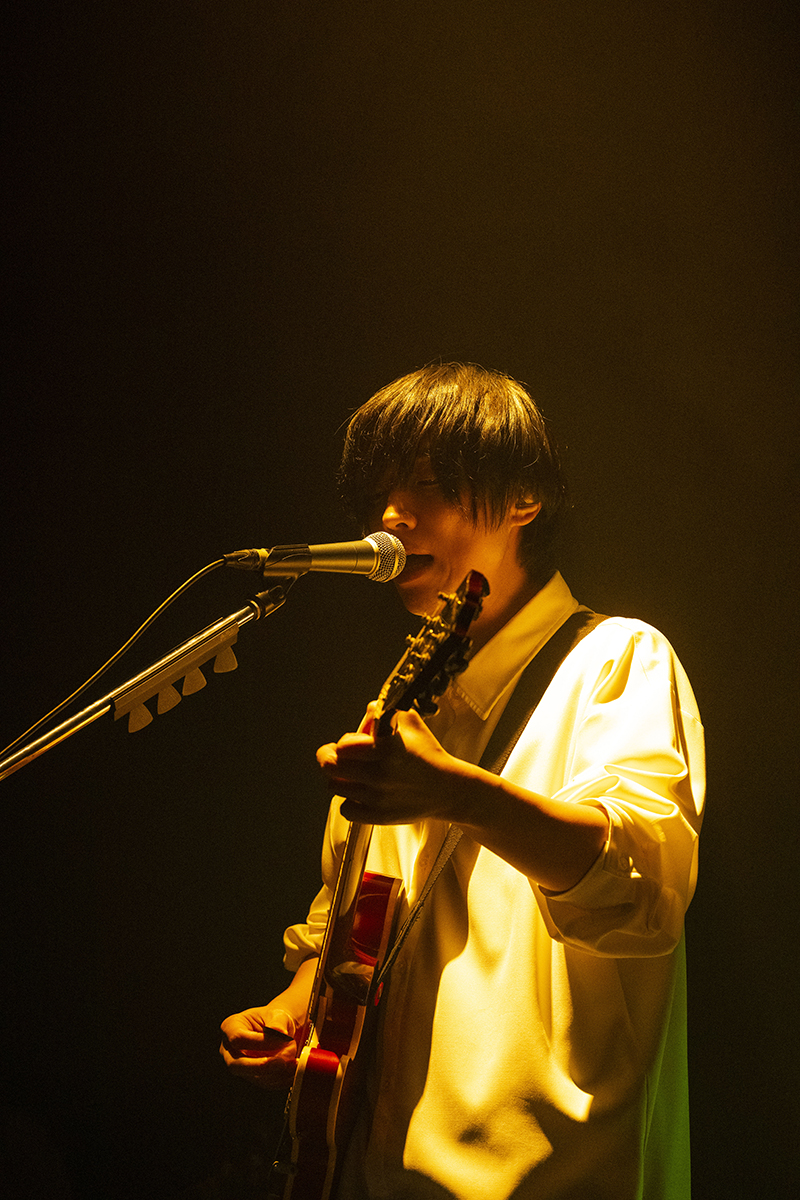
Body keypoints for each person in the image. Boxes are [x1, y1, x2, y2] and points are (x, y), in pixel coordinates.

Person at [220, 362, 705, 1199]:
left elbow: (642, 889)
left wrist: (455, 795)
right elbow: (351, 924)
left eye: (430, 484)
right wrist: (296, 1007)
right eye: (382, 492)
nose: (391, 516)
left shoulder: (616, 660)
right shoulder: (401, 709)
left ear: (524, 498)